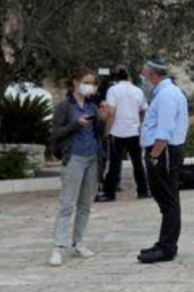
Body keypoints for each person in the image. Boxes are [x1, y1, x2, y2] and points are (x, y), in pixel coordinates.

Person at [48, 68, 104, 267]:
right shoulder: (65, 107)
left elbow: (100, 132)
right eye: (87, 82)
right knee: (67, 204)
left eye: (93, 83)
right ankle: (58, 247)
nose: (91, 86)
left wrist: (103, 118)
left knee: (85, 205)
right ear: (75, 82)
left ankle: (79, 242)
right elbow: (55, 133)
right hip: (74, 159)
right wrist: (76, 125)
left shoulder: (92, 106)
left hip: (92, 159)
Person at [138, 58, 189, 264]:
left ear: (153, 76)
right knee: (166, 199)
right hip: (163, 150)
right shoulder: (165, 93)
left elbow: (164, 130)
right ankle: (165, 243)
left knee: (168, 200)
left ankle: (167, 247)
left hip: (162, 151)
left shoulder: (167, 95)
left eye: (144, 75)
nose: (142, 80)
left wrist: (154, 155)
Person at [100, 66, 149, 201]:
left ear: (115, 78)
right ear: (129, 77)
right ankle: (143, 190)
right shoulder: (138, 91)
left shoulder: (113, 90)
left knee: (115, 164)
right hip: (134, 131)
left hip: (117, 132)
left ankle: (109, 193)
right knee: (138, 162)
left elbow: (111, 113)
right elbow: (144, 110)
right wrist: (141, 125)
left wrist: (106, 131)